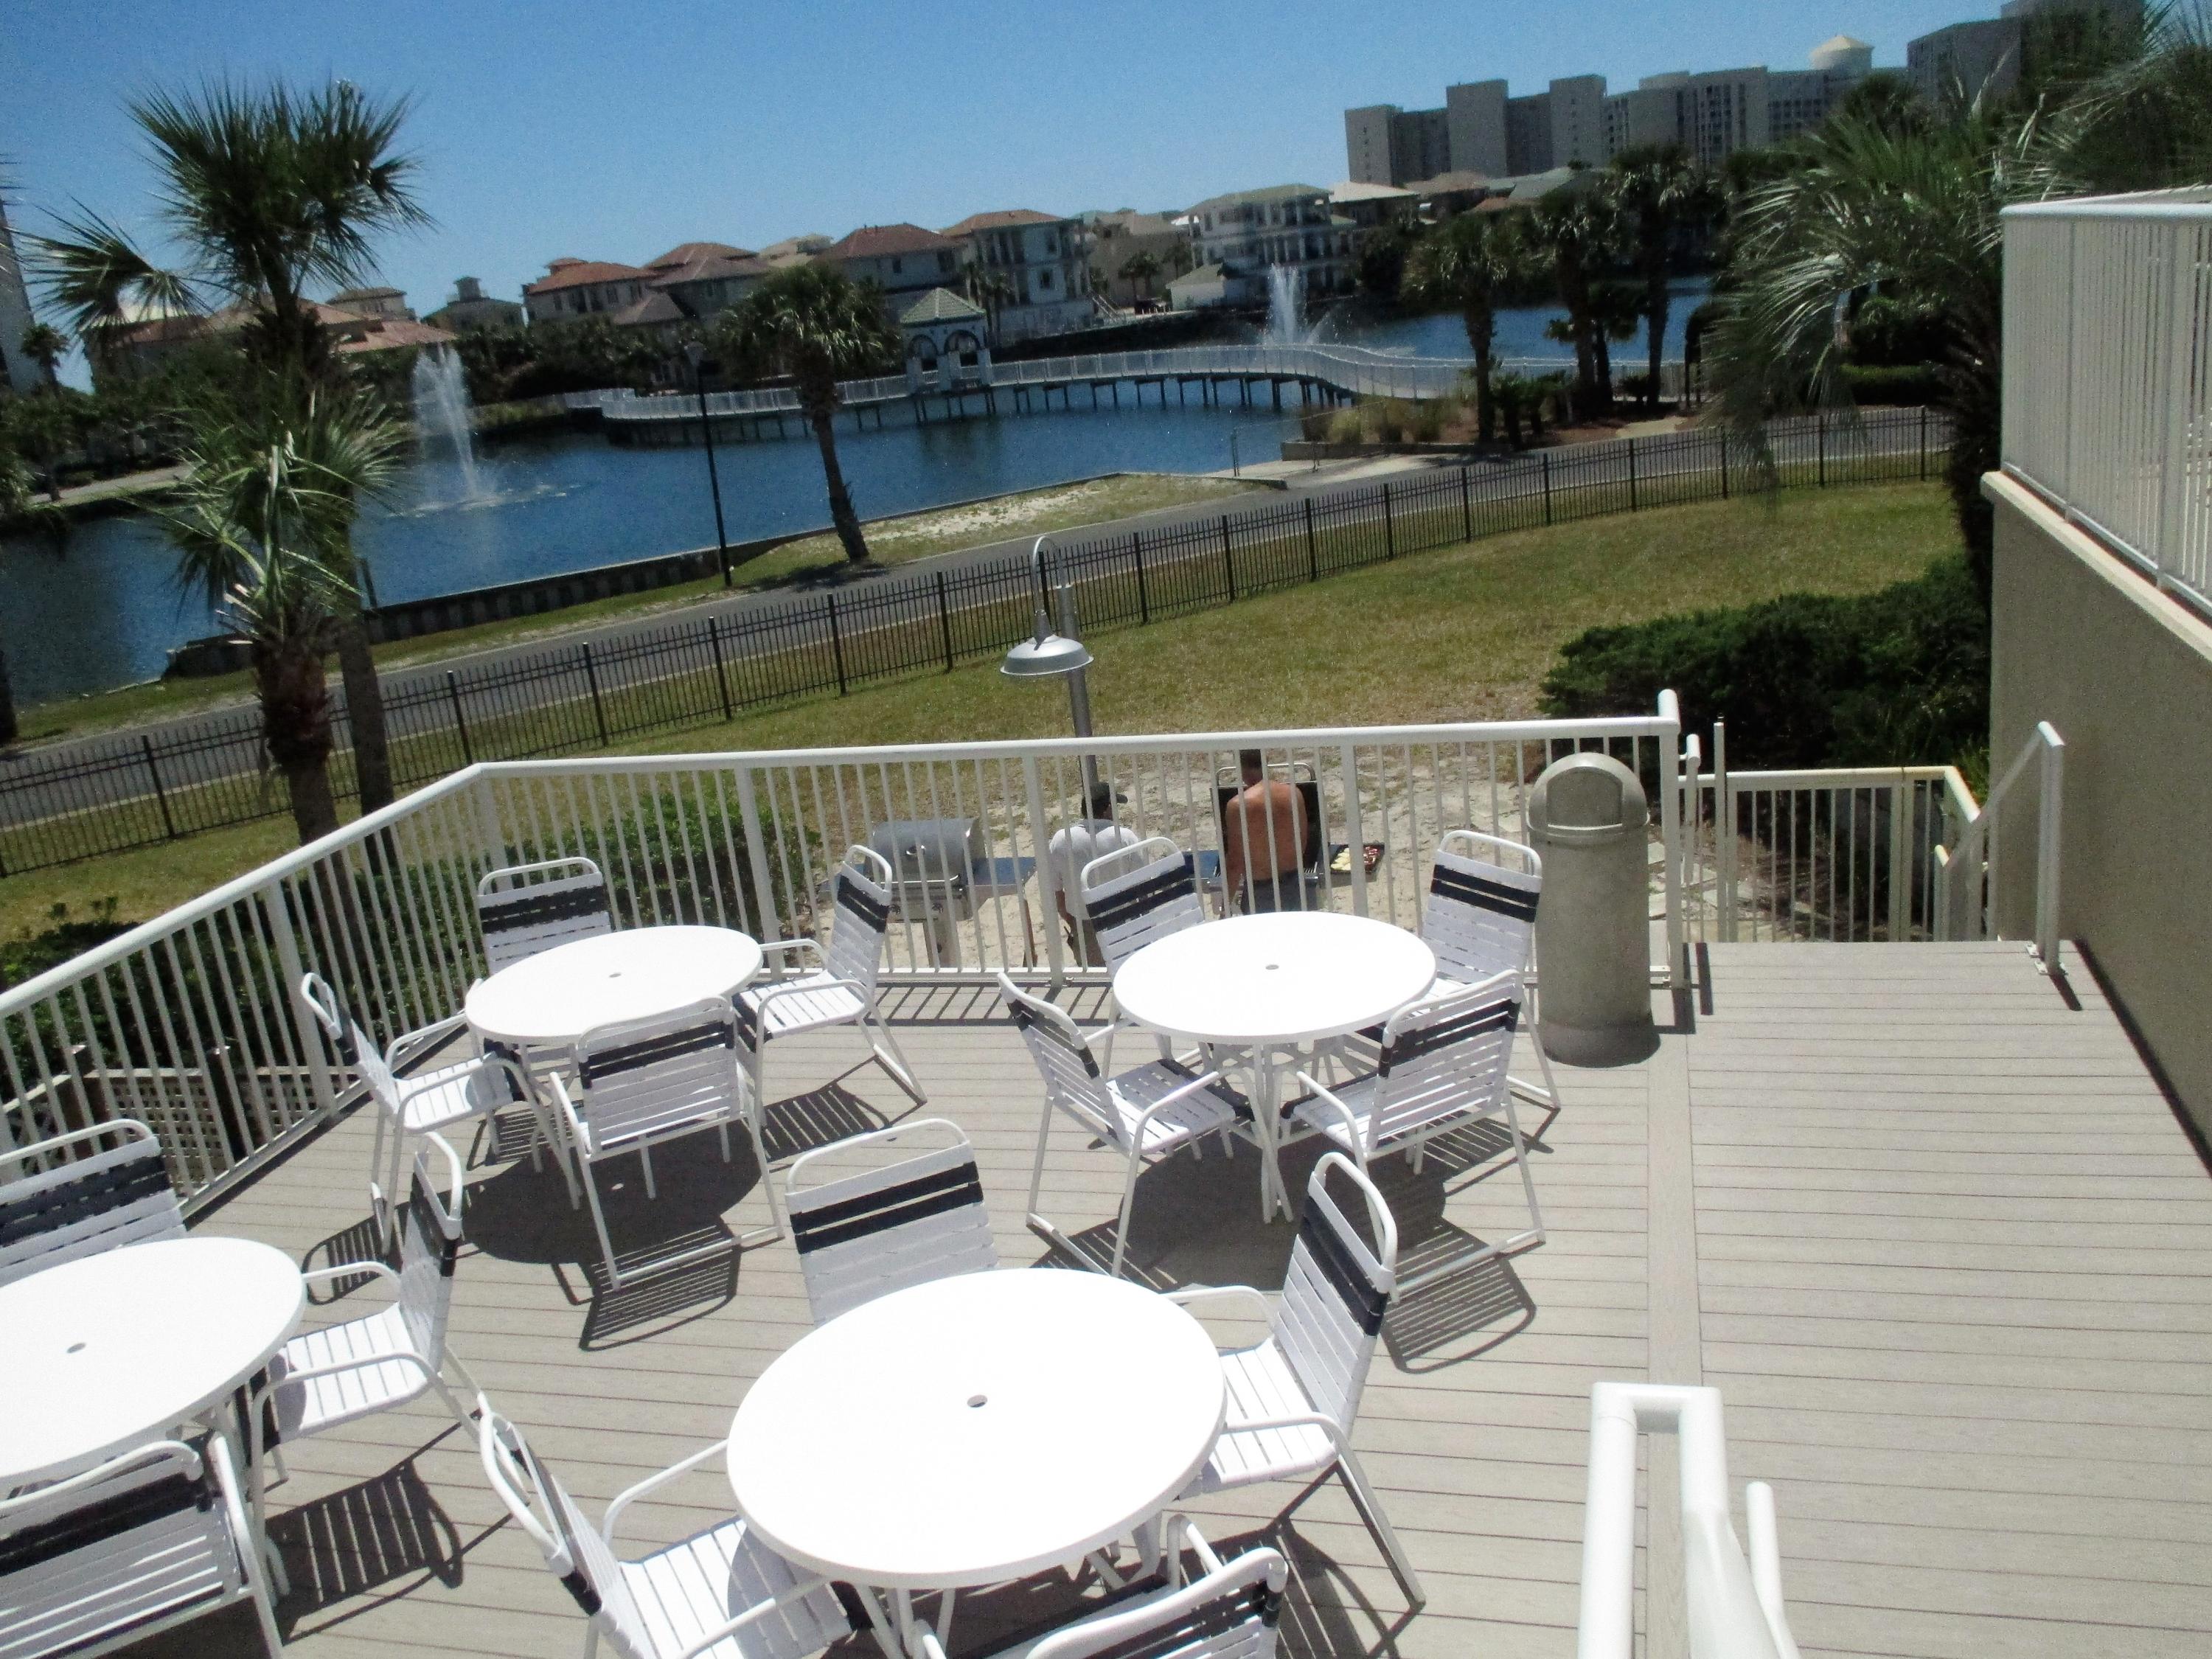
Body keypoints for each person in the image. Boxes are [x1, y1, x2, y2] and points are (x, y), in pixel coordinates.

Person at [1046, 779, 1137, 965]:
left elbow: (1059, 897)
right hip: (1121, 922)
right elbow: (1142, 886)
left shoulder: (1061, 840)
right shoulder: (1125, 837)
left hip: (1083, 924)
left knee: (1093, 977)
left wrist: (1073, 923)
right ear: (1108, 809)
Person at [1221, 748, 1313, 913]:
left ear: (1241, 769)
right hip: (1296, 885)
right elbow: (1303, 843)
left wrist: (1225, 904)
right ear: (1265, 763)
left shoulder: (1239, 806)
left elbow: (1235, 862)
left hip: (1261, 892)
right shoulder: (1294, 794)